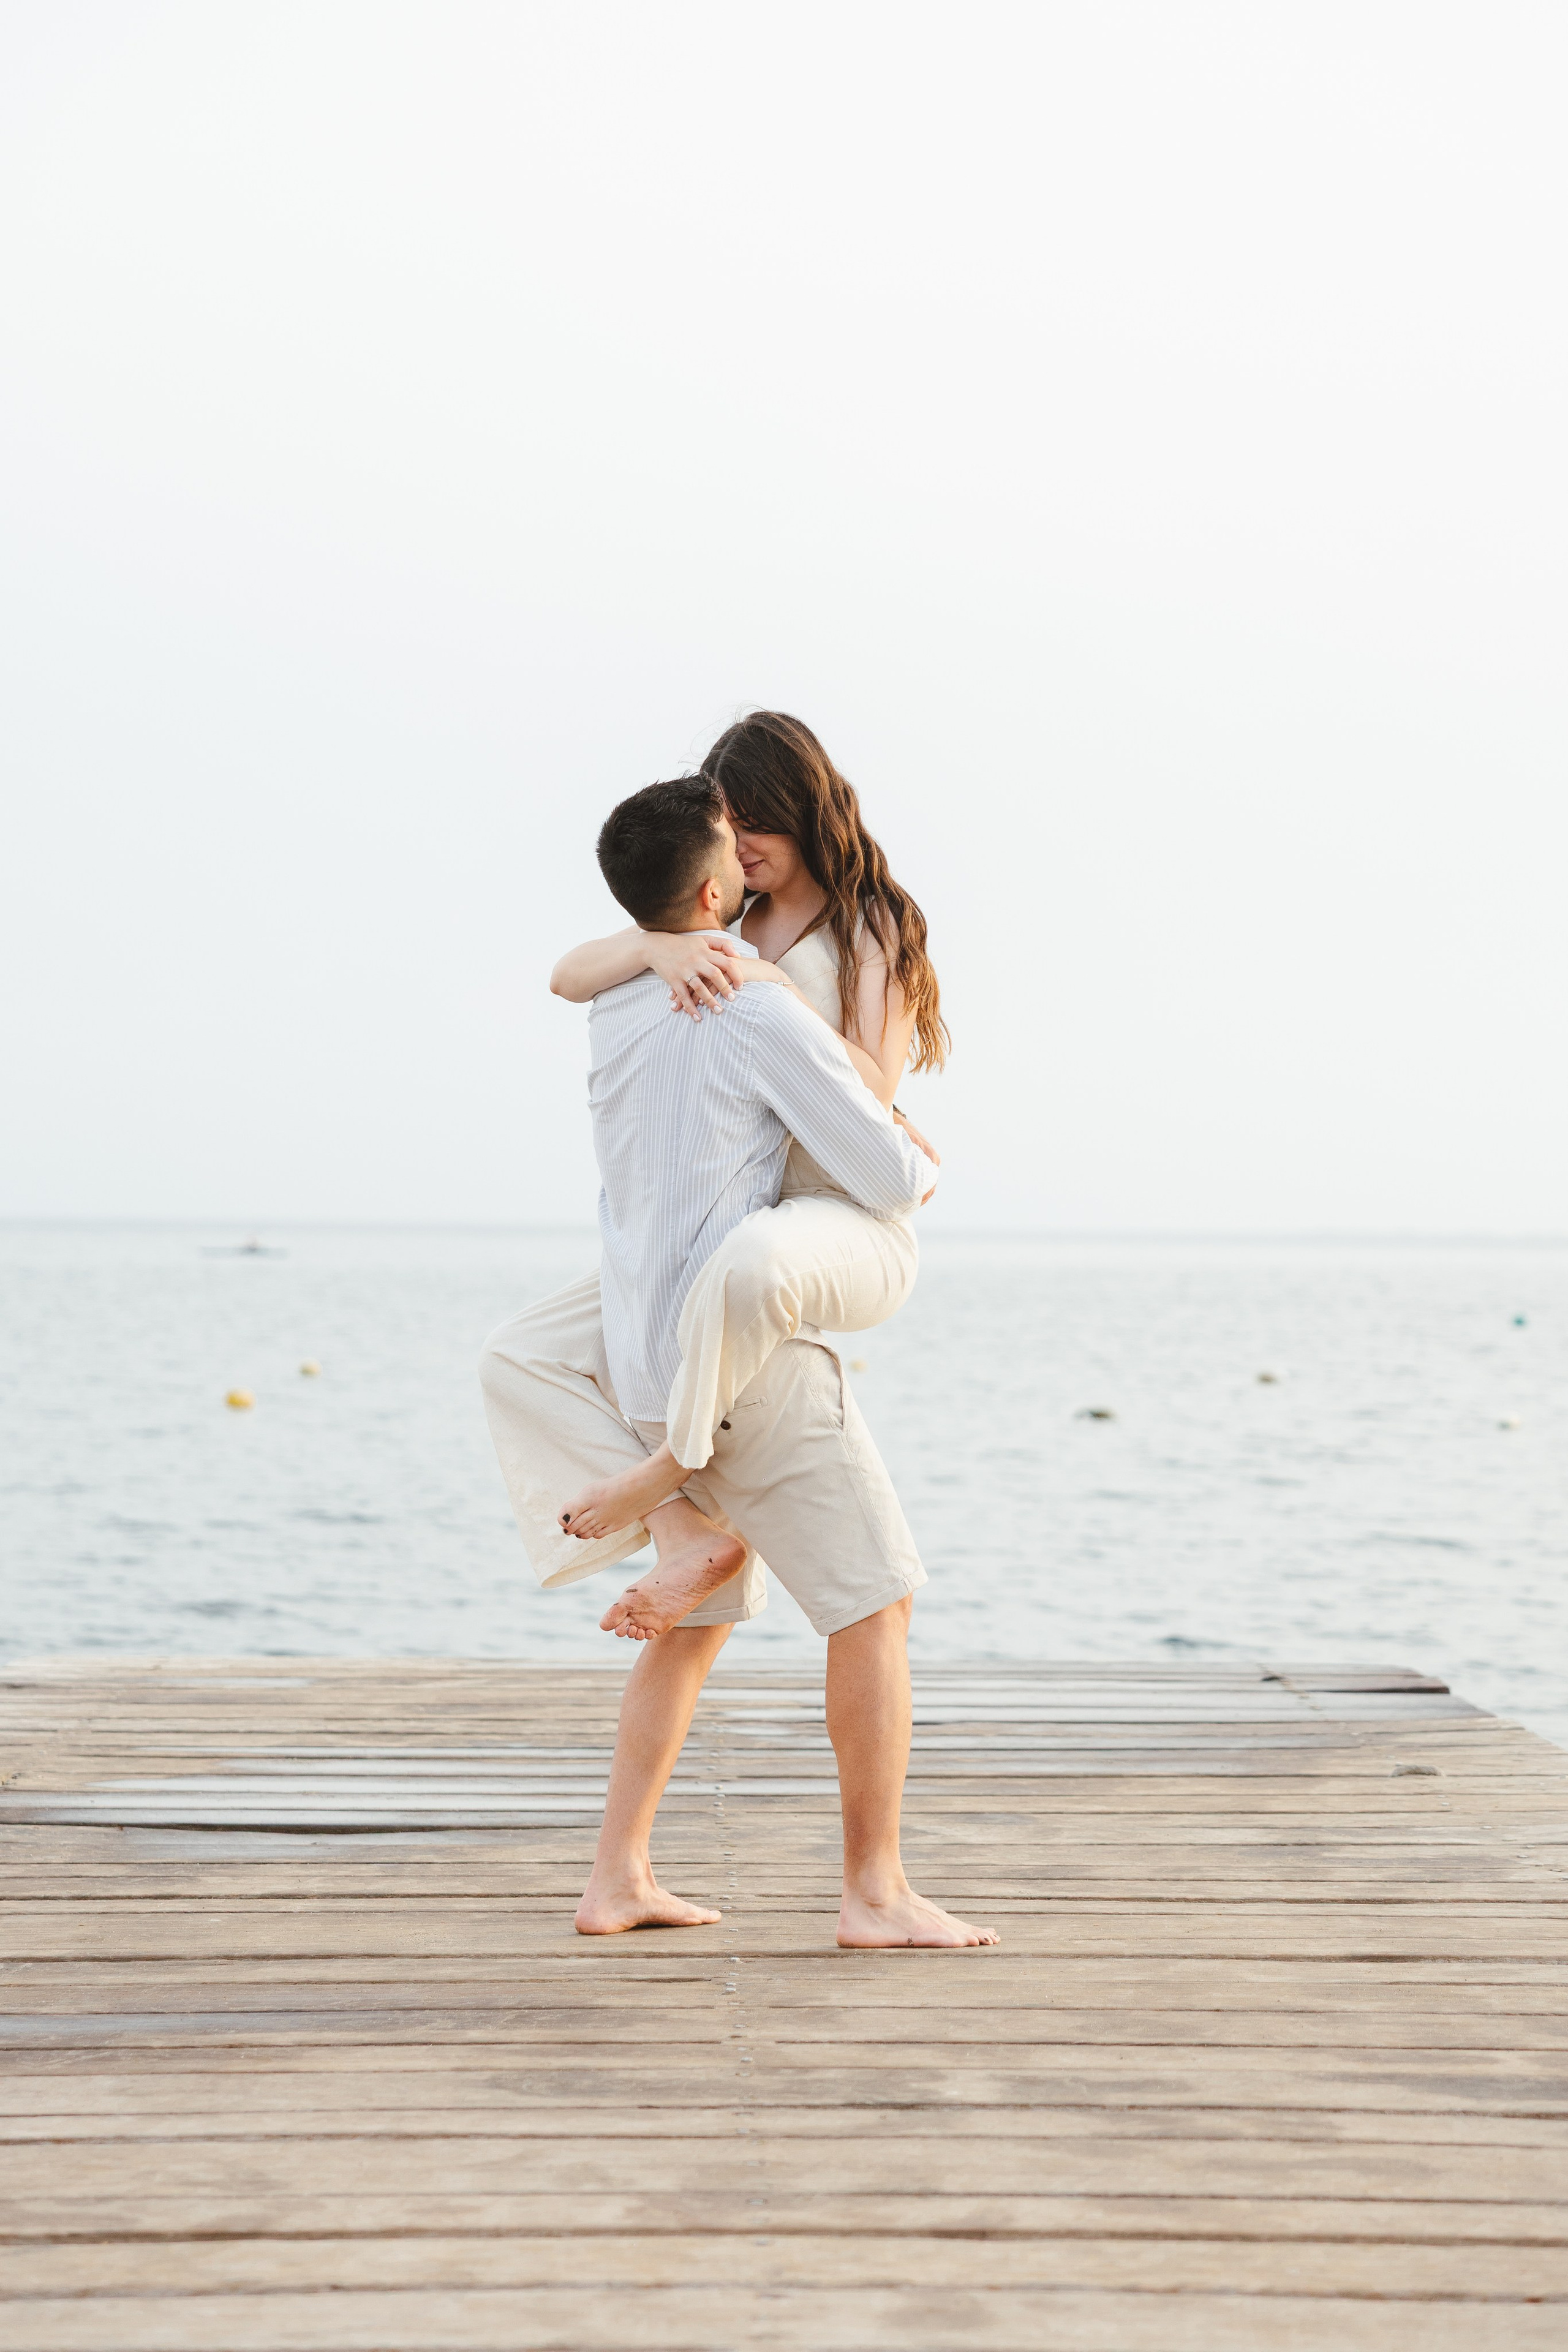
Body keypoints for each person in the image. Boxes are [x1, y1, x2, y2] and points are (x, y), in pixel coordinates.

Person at [479, 774, 996, 1947]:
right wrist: (914, 1159)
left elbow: (605, 974)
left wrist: (675, 953)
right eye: (734, 842)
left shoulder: (634, 998)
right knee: (875, 1602)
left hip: (660, 1325)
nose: (750, 854)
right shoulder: (734, 987)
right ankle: (874, 1893)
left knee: (698, 1613)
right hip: (750, 1336)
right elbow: (884, 1168)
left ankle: (617, 1875)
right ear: (713, 886)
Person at [548, 711, 946, 1546]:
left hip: (829, 1203)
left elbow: (872, 1086)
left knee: (741, 1280)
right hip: (742, 1202)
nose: (745, 840)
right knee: (537, 1350)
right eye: (733, 825)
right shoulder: (725, 915)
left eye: (759, 820)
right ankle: (682, 1532)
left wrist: (773, 991)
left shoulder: (869, 921)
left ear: (806, 810)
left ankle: (674, 1479)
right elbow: (569, 974)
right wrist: (655, 952)